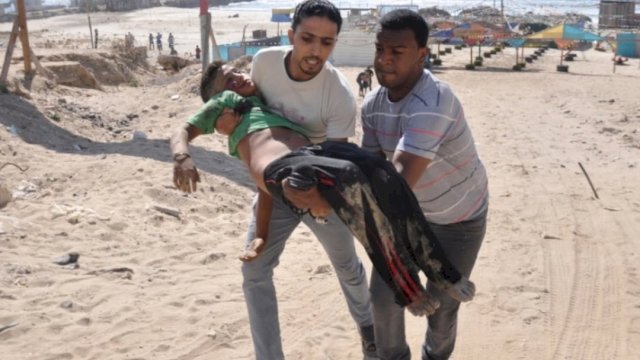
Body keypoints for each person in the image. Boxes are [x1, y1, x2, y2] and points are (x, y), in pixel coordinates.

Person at [201, 1, 375, 358]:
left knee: (348, 268)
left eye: (326, 43)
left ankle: (369, 330)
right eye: (307, 38)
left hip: (319, 185)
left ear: (335, 44)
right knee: (254, 270)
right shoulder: (264, 62)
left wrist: (321, 203)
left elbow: (334, 161)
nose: (315, 50)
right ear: (292, 35)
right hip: (273, 187)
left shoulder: (339, 95)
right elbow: (255, 122)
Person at [361, 10, 489, 360]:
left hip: (459, 219)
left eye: (397, 51)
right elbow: (370, 171)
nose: (384, 59)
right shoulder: (372, 106)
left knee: (443, 308)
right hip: (408, 216)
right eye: (379, 48)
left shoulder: (434, 102)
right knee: (384, 301)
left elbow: (398, 180)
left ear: (421, 54)